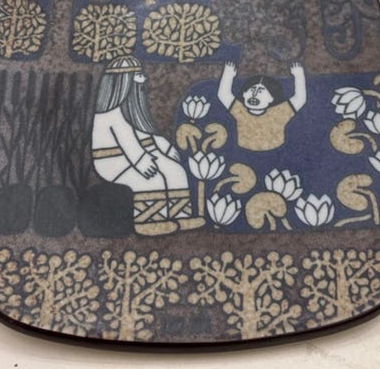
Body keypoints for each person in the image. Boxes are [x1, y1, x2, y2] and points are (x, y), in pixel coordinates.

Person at [92, 56, 204, 236]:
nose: (143, 78)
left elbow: (146, 135)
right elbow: (128, 142)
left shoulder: (131, 111)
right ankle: (148, 221)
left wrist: (166, 148)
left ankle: (180, 215)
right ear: (124, 82)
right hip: (114, 161)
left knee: (175, 171)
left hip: (140, 155)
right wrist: (141, 162)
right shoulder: (111, 115)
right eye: (138, 75)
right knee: (152, 180)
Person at [217, 61, 306, 151]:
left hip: (277, 152)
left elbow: (300, 99)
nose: (254, 95)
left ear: (271, 98)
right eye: (252, 90)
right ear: (244, 94)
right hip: (242, 152)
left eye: (260, 91)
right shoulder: (240, 110)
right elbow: (223, 95)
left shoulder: (278, 113)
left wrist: (299, 75)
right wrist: (228, 74)